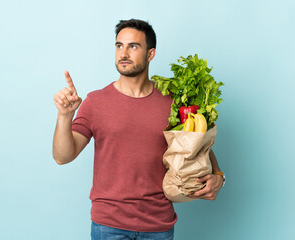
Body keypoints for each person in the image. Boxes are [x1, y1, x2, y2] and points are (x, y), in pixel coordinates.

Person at [53, 19, 224, 240]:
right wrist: (65, 116)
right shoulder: (95, 102)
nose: (124, 53)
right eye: (119, 45)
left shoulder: (172, 102)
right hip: (109, 225)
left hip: (159, 224)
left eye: (133, 46)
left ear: (150, 54)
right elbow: (62, 156)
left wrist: (218, 175)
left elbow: (197, 146)